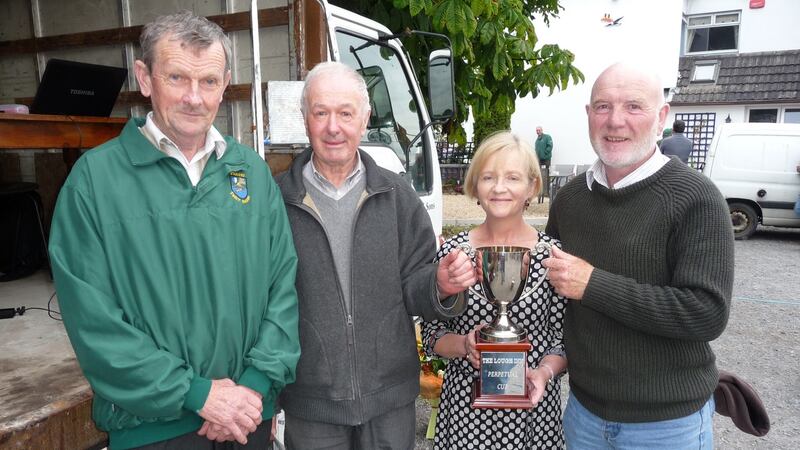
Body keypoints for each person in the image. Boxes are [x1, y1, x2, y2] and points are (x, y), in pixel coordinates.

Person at [48, 11, 300, 449]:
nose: (194, 98)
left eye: (208, 82)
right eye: (177, 78)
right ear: (145, 79)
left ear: (225, 84)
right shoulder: (94, 182)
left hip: (247, 419)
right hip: (153, 432)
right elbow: (95, 325)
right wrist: (199, 394)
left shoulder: (252, 174)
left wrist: (254, 386)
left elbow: (283, 291)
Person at [275, 61, 477, 449]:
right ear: (305, 120)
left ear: (365, 119)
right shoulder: (276, 200)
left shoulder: (397, 196)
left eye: (346, 113)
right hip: (311, 402)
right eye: (321, 113)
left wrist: (440, 283)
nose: (333, 127)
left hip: (389, 401)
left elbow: (417, 281)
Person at [543, 62, 734, 449]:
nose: (615, 121)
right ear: (588, 115)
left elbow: (707, 312)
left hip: (666, 424)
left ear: (661, 117)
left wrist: (593, 284)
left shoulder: (697, 197)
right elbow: (551, 293)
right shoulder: (570, 199)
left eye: (633, 106)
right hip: (583, 414)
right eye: (602, 107)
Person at [421, 131, 568, 449]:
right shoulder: (454, 256)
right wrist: (464, 345)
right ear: (474, 184)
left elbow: (564, 341)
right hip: (467, 414)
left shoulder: (552, 257)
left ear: (532, 186)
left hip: (533, 413)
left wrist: (543, 373)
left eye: (512, 177)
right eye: (489, 176)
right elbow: (431, 335)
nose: (500, 187)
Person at [535, 126, 553, 200]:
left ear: (542, 130)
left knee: (547, 175)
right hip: (539, 160)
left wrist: (545, 153)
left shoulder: (547, 137)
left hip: (546, 160)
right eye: (537, 130)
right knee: (540, 175)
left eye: (539, 130)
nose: (538, 131)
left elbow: (550, 146)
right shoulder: (537, 140)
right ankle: (541, 192)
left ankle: (547, 192)